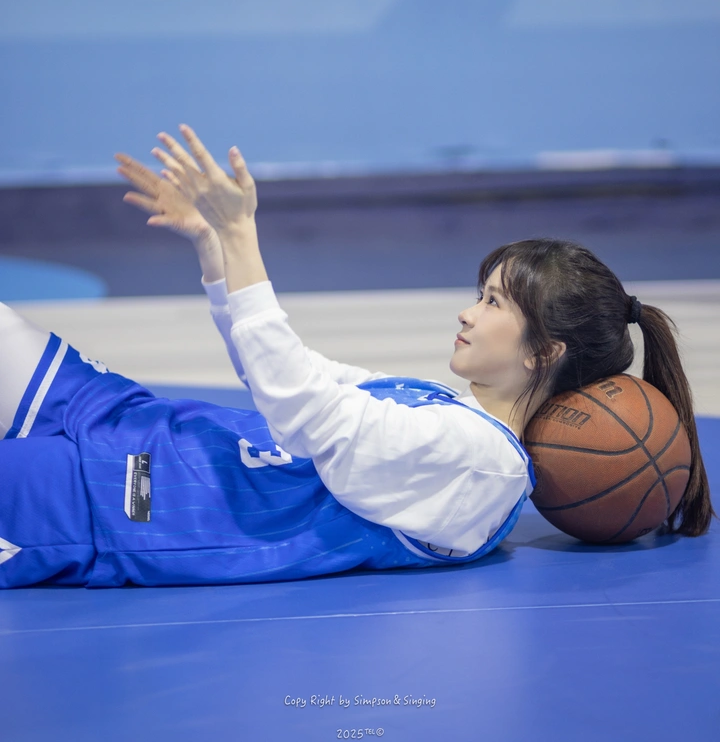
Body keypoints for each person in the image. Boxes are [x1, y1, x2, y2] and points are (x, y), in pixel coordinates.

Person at [0, 127, 712, 589]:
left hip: (119, 502)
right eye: (480, 295)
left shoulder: (480, 468)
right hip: (134, 422)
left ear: (544, 353)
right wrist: (215, 251)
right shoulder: (444, 408)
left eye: (494, 303)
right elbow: (285, 373)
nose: (468, 313)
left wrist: (244, 235)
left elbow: (301, 408)